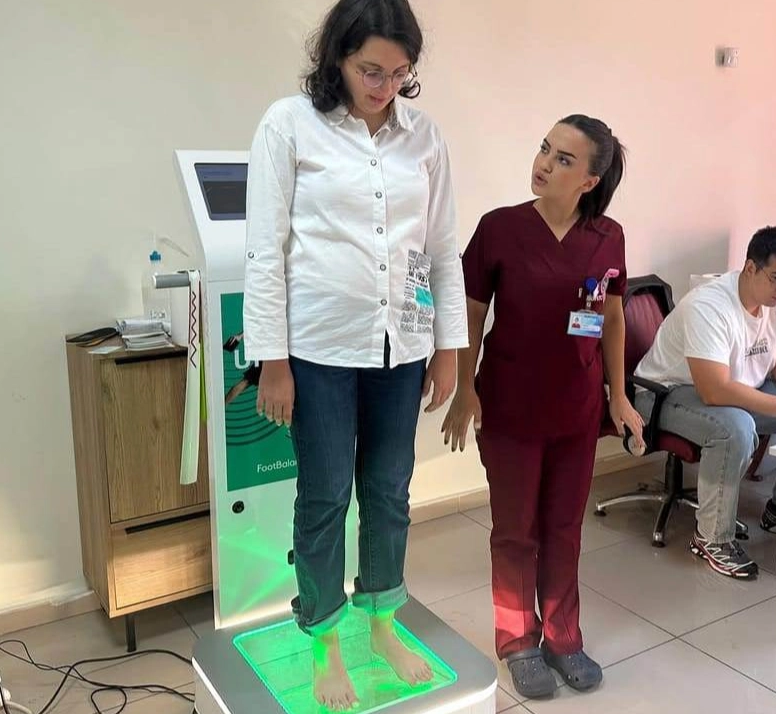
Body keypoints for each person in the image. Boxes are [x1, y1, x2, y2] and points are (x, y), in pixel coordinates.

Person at [242, 0, 468, 709]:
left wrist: (447, 348)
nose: (384, 87)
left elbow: (437, 251)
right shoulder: (289, 124)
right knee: (326, 493)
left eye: (399, 74)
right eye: (371, 70)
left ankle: (383, 623)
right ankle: (324, 640)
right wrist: (272, 360)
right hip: (317, 349)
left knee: (390, 490)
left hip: (401, 347)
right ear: (337, 56)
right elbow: (265, 251)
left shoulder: (424, 136)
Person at [442, 116, 643, 699]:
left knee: (564, 528)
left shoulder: (607, 236)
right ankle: (517, 640)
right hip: (510, 406)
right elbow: (471, 313)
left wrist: (619, 395)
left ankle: (563, 636)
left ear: (589, 180)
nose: (544, 164)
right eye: (545, 149)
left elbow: (610, 317)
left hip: (576, 409)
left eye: (563, 159)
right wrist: (465, 388)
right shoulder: (500, 228)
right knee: (515, 531)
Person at [633, 227, 776, 580]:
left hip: (735, 392)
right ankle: (711, 538)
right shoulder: (709, 306)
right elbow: (714, 391)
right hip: (665, 395)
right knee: (735, 428)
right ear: (750, 268)